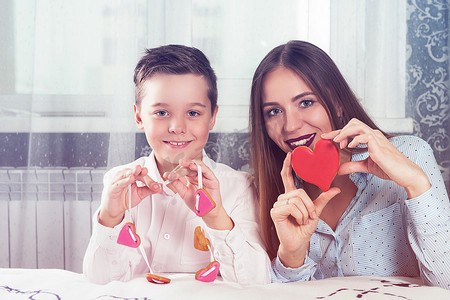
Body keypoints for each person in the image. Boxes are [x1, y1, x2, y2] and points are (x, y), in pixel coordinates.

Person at [249, 40, 450, 289]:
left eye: (306, 102)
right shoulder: (269, 194)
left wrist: (417, 184)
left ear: (337, 102)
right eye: (274, 111)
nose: (290, 125)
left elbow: (446, 285)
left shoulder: (411, 154)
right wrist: (291, 255)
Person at [83, 45, 271, 285]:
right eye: (161, 112)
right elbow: (98, 281)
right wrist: (110, 217)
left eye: (193, 113)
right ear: (139, 116)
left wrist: (216, 218)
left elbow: (258, 282)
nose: (177, 127)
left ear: (212, 117)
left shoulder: (239, 187)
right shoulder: (119, 185)